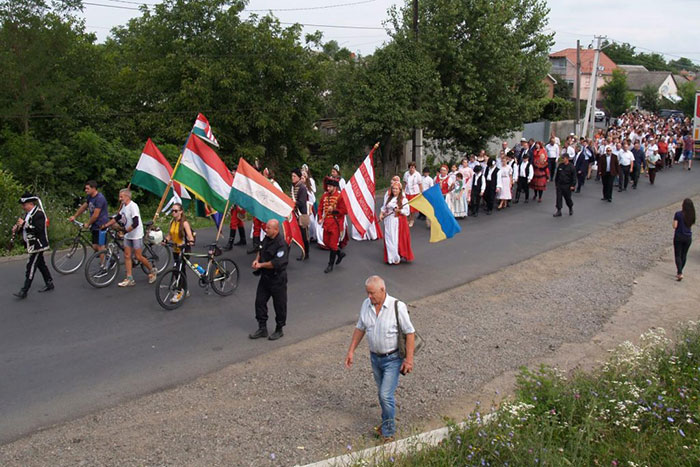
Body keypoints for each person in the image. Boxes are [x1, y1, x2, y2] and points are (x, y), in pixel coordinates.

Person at [344, 275, 415, 443]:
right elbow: (360, 328)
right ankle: (386, 422)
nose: (369, 296)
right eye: (367, 293)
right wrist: (351, 350)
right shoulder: (366, 305)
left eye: (372, 293)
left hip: (393, 358)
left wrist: (409, 360)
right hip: (375, 358)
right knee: (382, 393)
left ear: (382, 290)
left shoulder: (398, 307)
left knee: (385, 395)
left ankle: (389, 431)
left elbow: (409, 333)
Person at [101, 188, 156, 287]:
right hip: (128, 234)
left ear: (127, 196)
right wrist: (106, 225)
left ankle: (152, 270)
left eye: (121, 196)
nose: (119, 199)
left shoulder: (133, 206)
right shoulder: (124, 206)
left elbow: (135, 223)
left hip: (136, 234)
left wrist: (124, 231)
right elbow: (117, 218)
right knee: (127, 256)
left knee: (138, 256)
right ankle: (129, 278)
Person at [249, 219, 289, 340]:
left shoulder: (281, 244)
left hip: (277, 278)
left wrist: (261, 265)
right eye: (266, 228)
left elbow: (276, 263)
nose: (265, 230)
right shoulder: (266, 238)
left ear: (276, 230)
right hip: (265, 277)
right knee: (259, 302)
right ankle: (262, 328)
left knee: (279, 305)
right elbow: (261, 250)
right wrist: (257, 260)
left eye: (268, 228)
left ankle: (279, 329)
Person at [13, 193, 54, 299]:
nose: (23, 207)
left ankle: (24, 290)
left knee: (30, 266)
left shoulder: (39, 214)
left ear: (30, 203)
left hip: (38, 245)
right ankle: (49, 282)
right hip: (31, 244)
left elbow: (38, 229)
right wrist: (18, 228)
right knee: (41, 264)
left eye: (24, 204)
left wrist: (24, 225)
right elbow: (26, 229)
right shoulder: (28, 214)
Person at [163, 202, 195, 304]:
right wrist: (166, 240)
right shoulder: (172, 222)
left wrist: (188, 243)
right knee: (180, 270)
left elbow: (190, 236)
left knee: (178, 270)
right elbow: (170, 235)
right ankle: (185, 289)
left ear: (181, 212)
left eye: (176, 211)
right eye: (172, 211)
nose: (173, 212)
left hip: (184, 250)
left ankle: (180, 291)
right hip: (176, 250)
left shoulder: (184, 223)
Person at [69, 180, 109, 254]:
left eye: (87, 188)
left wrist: (88, 223)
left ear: (93, 188)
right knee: (94, 246)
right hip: (94, 224)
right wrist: (74, 216)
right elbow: (83, 207)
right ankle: (105, 253)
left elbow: (96, 215)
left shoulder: (99, 198)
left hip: (101, 224)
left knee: (100, 246)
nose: (85, 190)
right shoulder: (90, 197)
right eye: (85, 188)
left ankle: (104, 264)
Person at [380, 182, 414, 264]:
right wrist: (381, 214)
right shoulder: (389, 198)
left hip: (396, 222)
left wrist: (399, 210)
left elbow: (407, 212)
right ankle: (390, 257)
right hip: (388, 221)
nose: (394, 190)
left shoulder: (403, 199)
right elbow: (384, 208)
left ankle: (395, 258)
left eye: (396, 189)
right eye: (393, 188)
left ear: (400, 190)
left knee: (393, 240)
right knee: (388, 239)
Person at [319, 177, 347, 273]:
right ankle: (339, 253)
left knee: (333, 244)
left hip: (335, 224)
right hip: (326, 223)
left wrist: (334, 211)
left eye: (330, 186)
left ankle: (330, 265)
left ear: (335, 187)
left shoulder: (340, 197)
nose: (328, 188)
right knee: (326, 242)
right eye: (328, 186)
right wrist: (319, 217)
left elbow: (344, 211)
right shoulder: (324, 196)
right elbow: (320, 208)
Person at [673, 198, 695, 281]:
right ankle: (680, 270)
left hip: (679, 236)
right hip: (688, 237)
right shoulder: (692, 215)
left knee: (677, 254)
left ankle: (679, 272)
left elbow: (675, 226)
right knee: (684, 255)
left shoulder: (678, 214)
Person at [291, 168, 310, 261]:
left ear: (299, 177)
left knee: (304, 236)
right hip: (295, 214)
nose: (292, 178)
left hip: (301, 214)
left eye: (294, 176)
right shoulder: (294, 186)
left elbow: (302, 202)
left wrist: (292, 203)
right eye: (292, 176)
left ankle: (306, 253)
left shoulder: (302, 187)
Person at [403, 162, 422, 227]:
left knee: (412, 208)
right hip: (407, 192)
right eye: (411, 167)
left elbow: (420, 184)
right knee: (406, 206)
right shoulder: (406, 174)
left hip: (414, 193)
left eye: (413, 168)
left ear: (415, 168)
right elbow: (405, 183)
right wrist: (403, 191)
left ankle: (412, 220)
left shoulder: (417, 174)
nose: (412, 169)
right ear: (409, 168)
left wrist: (421, 193)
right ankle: (408, 219)